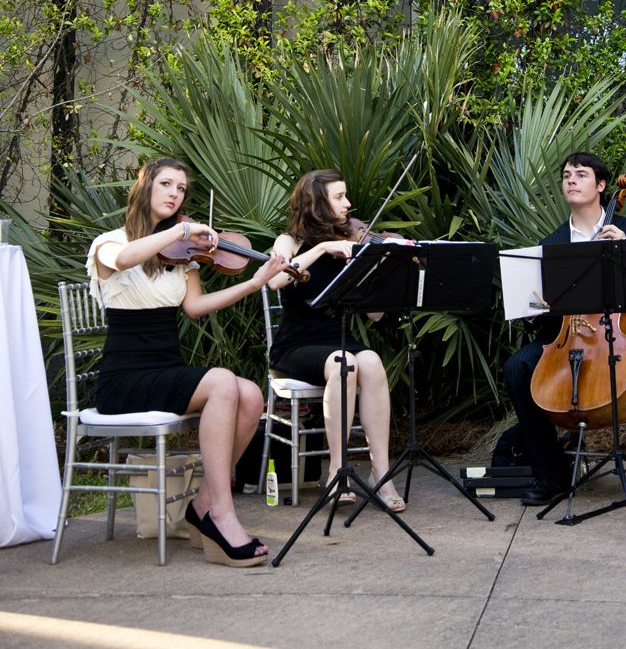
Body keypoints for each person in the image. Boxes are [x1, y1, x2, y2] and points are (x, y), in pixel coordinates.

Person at [86, 156, 291, 567]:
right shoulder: (110, 243)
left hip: (166, 369)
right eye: (166, 184)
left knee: (249, 394)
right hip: (124, 380)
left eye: (180, 188)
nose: (174, 193)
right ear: (145, 188)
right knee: (220, 381)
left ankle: (202, 505)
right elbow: (126, 260)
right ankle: (222, 513)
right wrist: (180, 229)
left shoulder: (180, 255)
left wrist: (254, 282)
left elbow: (195, 307)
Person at [503, 150, 626, 515]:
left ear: (601, 186)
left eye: (580, 174)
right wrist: (533, 314)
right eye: (566, 174)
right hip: (570, 337)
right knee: (517, 366)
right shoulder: (552, 245)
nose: (571, 180)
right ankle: (552, 473)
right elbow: (542, 311)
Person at [267, 168, 406, 512]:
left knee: (370, 360)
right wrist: (325, 247)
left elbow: (374, 316)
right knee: (345, 363)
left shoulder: (353, 244)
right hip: (298, 345)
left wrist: (379, 272)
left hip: (339, 338)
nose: (349, 204)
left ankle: (381, 473)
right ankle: (336, 471)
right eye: (339, 197)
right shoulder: (291, 241)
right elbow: (275, 281)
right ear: (317, 204)